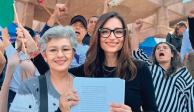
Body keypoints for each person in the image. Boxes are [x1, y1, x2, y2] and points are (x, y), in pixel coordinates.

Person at [30, 12, 158, 112]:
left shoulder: (140, 70)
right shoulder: (85, 70)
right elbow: (52, 74)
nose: (112, 37)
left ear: (124, 36)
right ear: (98, 35)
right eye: (106, 31)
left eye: (118, 32)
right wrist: (33, 52)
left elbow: (151, 109)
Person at [9, 25, 78, 112]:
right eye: (53, 50)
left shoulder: (85, 87)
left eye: (65, 49)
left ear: (73, 54)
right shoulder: (29, 88)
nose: (60, 55)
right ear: (45, 55)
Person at [131, 19, 194, 112]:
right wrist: (135, 31)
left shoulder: (183, 72)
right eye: (158, 48)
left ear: (172, 54)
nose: (161, 49)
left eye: (165, 48)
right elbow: (135, 51)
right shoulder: (148, 66)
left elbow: (190, 100)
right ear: (155, 55)